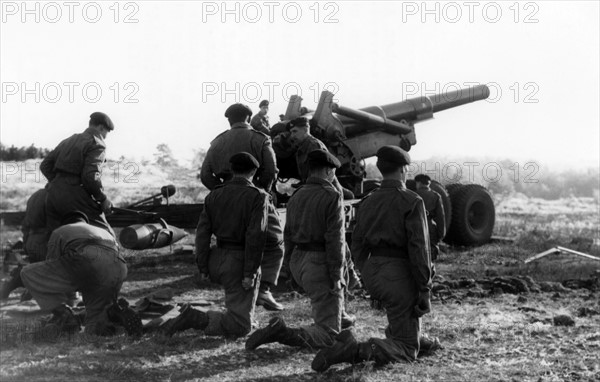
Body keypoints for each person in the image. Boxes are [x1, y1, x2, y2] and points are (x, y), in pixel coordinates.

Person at [311, 145, 439, 372]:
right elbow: (419, 250)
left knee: (401, 320)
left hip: (374, 272)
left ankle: (418, 338)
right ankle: (354, 350)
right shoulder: (412, 201)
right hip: (399, 274)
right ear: (403, 170)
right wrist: (424, 289)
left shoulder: (368, 201)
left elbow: (357, 244)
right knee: (407, 350)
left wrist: (367, 272)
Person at [245, 149, 346, 351]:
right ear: (327, 171)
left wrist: (290, 269)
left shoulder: (297, 196)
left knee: (326, 308)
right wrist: (337, 274)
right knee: (328, 335)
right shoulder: (332, 196)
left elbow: (288, 235)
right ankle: (282, 332)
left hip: (298, 260)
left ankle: (336, 318)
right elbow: (336, 240)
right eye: (333, 172)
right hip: (319, 262)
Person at [163, 153, 269, 338]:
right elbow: (255, 237)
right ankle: (195, 318)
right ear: (253, 171)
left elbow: (202, 234)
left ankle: (237, 317)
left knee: (240, 314)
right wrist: (250, 272)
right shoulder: (257, 196)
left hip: (216, 259)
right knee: (241, 328)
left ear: (232, 170)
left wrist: (203, 266)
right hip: (239, 262)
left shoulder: (214, 195)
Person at [200, 103, 284, 311]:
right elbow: (271, 170)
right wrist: (261, 191)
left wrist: (221, 191)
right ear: (248, 117)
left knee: (229, 239)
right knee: (274, 241)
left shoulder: (217, 142)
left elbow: (204, 174)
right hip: (254, 191)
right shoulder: (260, 138)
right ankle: (263, 289)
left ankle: (240, 288)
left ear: (229, 120)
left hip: (224, 194)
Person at [20, 211, 129, 335]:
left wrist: (35, 286)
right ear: (85, 222)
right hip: (119, 267)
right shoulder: (104, 231)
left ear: (65, 223)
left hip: (88, 261)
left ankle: (65, 315)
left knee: (27, 273)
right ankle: (112, 313)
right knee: (94, 327)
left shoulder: (60, 231)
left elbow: (52, 266)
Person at [40, 112, 116, 237]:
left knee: (56, 238)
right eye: (106, 133)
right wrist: (102, 199)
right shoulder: (97, 144)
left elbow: (45, 165)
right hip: (75, 196)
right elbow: (90, 176)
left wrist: (58, 182)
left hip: (53, 194)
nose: (105, 136)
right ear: (101, 128)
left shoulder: (68, 140)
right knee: (106, 236)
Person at [414, 174, 446, 261]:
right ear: (429, 183)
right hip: (430, 228)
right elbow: (440, 217)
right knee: (430, 256)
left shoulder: (413, 195)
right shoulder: (436, 196)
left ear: (418, 183)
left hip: (415, 227)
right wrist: (440, 234)